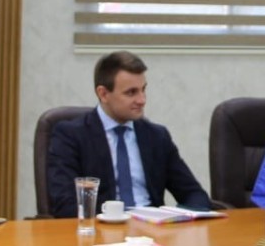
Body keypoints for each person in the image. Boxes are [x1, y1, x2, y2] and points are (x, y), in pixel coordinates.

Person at [46, 50, 212, 217]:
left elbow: (194, 194)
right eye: (131, 92)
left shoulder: (157, 137)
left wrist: (177, 219)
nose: (142, 100)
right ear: (103, 94)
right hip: (102, 226)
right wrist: (118, 220)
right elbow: (65, 204)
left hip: (151, 228)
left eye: (143, 90)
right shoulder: (70, 136)